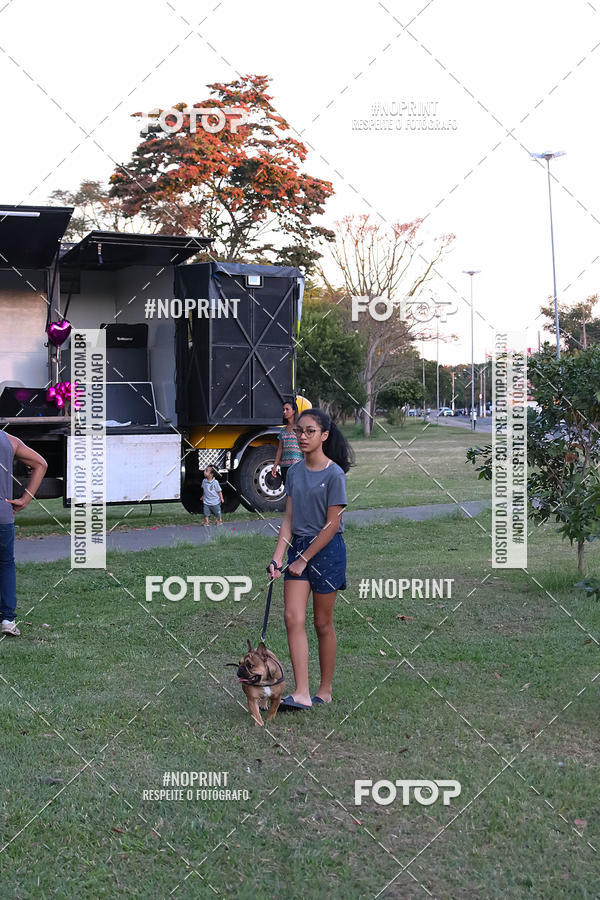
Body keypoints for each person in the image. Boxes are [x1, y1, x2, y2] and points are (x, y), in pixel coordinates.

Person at [268, 408, 354, 709]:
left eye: (310, 432)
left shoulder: (334, 474)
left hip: (327, 551)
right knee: (292, 617)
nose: (302, 437)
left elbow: (332, 525)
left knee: (322, 623)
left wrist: (304, 558)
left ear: (324, 436)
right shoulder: (294, 473)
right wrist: (279, 558)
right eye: (299, 431)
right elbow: (289, 519)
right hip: (298, 550)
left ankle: (325, 688)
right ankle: (302, 692)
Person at [0, 431, 48, 636]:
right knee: (5, 563)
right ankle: (7, 619)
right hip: (3, 515)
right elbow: (41, 464)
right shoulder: (9, 441)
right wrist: (26, 499)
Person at [271, 400, 302, 485]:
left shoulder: (300, 428)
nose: (284, 412)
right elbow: (280, 449)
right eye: (283, 409)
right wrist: (275, 465)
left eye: (287, 409)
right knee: (287, 491)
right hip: (285, 466)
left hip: (298, 465)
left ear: (294, 411)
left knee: (297, 490)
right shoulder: (283, 430)